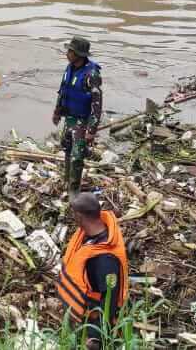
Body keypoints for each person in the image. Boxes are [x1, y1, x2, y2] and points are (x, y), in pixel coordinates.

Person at [57, 192, 129, 349]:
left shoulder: (105, 260)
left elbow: (109, 299)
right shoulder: (90, 233)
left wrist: (96, 336)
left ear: (80, 217)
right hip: (82, 309)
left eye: (73, 214)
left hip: (92, 318)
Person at [53, 37, 102, 198]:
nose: (67, 53)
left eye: (70, 51)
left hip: (82, 121)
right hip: (69, 119)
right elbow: (63, 89)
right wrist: (57, 111)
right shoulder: (70, 68)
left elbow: (97, 103)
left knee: (77, 157)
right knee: (66, 149)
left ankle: (73, 193)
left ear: (79, 54)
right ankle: (67, 182)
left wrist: (92, 130)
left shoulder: (91, 74)